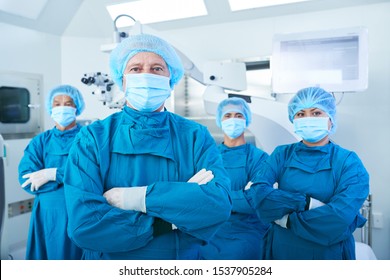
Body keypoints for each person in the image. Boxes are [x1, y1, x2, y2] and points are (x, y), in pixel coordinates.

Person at [63, 33, 232, 260]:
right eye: (135, 69)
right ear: (122, 80)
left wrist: (139, 198)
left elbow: (218, 204)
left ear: (171, 79)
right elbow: (85, 225)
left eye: (157, 69)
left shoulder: (194, 136)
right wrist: (169, 220)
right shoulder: (93, 138)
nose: (146, 75)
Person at [245, 87, 369, 259]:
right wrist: (306, 203)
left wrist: (287, 220)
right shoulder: (282, 154)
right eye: (301, 114)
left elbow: (339, 218)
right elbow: (258, 195)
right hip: (282, 251)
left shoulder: (348, 162)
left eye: (316, 113)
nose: (308, 118)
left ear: (330, 120)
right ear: (293, 119)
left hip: (328, 256)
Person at [18, 85, 85, 260]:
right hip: (47, 215)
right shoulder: (41, 141)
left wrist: (53, 174)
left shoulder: (87, 137)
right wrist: (68, 180)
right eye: (57, 103)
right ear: (50, 108)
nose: (62, 107)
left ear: (77, 107)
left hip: (79, 211)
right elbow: (26, 177)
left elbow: (90, 172)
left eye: (68, 103)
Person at [199, 97, 270, 260]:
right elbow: (198, 196)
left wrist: (214, 196)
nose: (233, 120)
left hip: (247, 233)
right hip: (209, 232)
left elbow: (256, 199)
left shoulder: (259, 158)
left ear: (247, 120)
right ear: (219, 120)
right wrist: (239, 196)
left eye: (239, 115)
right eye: (227, 115)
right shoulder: (209, 157)